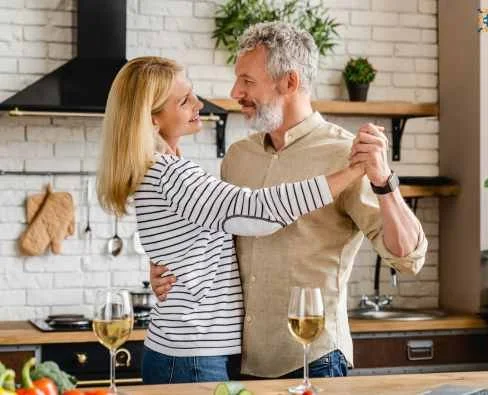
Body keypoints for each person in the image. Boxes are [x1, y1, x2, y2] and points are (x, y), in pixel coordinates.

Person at [151, 22, 428, 379]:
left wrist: (384, 183)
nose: (235, 92)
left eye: (248, 81)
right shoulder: (238, 157)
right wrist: (169, 268)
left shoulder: (347, 155)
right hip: (237, 362)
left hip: (311, 359)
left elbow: (408, 259)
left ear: (290, 82)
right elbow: (214, 240)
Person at [96, 56, 373, 384]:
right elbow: (259, 212)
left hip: (182, 350)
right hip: (195, 355)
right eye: (184, 101)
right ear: (153, 119)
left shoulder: (155, 171)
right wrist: (353, 171)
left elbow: (188, 247)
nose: (199, 103)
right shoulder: (172, 174)